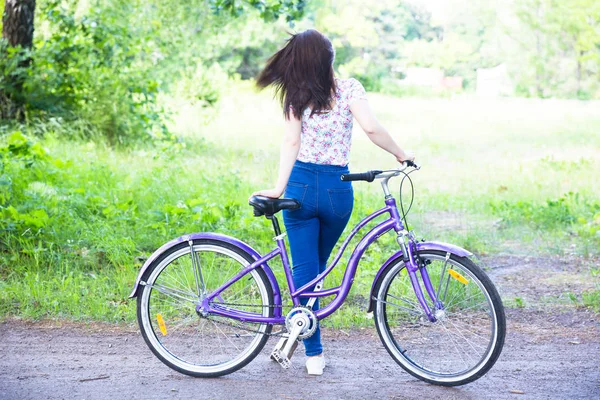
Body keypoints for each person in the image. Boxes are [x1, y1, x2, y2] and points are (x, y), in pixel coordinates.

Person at [251, 29, 414, 376]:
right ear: (328, 61)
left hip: (300, 189)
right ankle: (304, 344)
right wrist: (401, 154)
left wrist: (279, 188)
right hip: (338, 193)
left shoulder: (296, 95)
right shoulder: (350, 88)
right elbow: (371, 128)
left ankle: (312, 355)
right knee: (316, 274)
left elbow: (291, 142)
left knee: (307, 275)